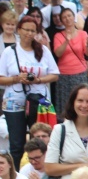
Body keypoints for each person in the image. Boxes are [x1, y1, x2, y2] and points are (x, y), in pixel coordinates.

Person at [0, 16, 58, 167]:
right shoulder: (9, 51)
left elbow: (55, 74)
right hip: (14, 101)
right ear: (19, 30)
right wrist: (17, 79)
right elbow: (1, 78)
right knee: (17, 143)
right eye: (26, 29)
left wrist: (38, 80)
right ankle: (16, 175)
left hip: (38, 101)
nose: (29, 33)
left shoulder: (43, 50)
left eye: (33, 30)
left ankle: (41, 170)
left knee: (39, 140)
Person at [53, 8, 88, 119]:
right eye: (64, 17)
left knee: (80, 100)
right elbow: (58, 53)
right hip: (64, 73)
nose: (67, 19)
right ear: (61, 20)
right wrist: (66, 41)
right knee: (66, 102)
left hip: (79, 72)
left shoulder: (82, 34)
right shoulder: (58, 36)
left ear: (73, 17)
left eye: (69, 16)